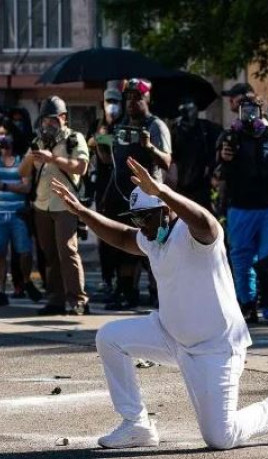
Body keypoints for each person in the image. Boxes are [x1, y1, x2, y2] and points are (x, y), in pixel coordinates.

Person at [51, 158, 268, 450]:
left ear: (166, 212)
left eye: (147, 218)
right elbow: (123, 235)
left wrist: (162, 191)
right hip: (170, 335)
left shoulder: (195, 236)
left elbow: (206, 221)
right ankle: (136, 424)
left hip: (215, 347)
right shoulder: (152, 237)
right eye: (137, 219)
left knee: (220, 437)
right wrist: (82, 212)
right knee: (109, 338)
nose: (142, 227)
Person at [217, 95, 268, 324]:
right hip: (240, 208)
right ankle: (247, 305)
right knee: (242, 260)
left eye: (253, 110)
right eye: (245, 110)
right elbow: (220, 173)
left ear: (263, 111)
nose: (249, 115)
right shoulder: (230, 136)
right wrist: (225, 158)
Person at [102, 78, 172, 310]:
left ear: (147, 99)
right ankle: (126, 292)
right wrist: (100, 144)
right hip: (123, 195)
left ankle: (158, 294)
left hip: (150, 196)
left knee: (154, 248)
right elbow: (111, 160)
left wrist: (149, 146)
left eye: (137, 98)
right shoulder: (121, 125)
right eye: (128, 98)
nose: (132, 102)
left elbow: (167, 162)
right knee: (126, 249)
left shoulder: (156, 125)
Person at [19, 96, 89, 316]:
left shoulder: (74, 139)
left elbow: (81, 167)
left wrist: (53, 159)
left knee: (68, 252)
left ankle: (78, 300)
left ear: (63, 118)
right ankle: (56, 300)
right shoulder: (38, 142)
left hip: (65, 205)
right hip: (42, 205)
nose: (47, 124)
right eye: (44, 120)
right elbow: (22, 172)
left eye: (52, 119)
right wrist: (32, 157)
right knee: (49, 255)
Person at [0, 118, 40, 306]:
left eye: (7, 133)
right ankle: (0, 291)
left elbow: (26, 187)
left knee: (24, 251)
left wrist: (3, 185)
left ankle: (26, 280)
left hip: (17, 212)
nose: (3, 137)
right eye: (0, 134)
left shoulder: (22, 158)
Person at [88, 87, 124, 294]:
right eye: (108, 101)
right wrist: (100, 138)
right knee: (104, 234)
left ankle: (122, 280)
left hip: (121, 187)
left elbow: (120, 147)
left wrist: (105, 140)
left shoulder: (124, 125)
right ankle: (106, 277)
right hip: (103, 187)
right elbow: (90, 142)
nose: (112, 106)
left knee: (122, 234)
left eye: (115, 101)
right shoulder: (97, 125)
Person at [169, 98, 219, 210]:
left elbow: (214, 152)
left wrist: (212, 171)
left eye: (191, 109)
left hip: (202, 184)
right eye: (185, 110)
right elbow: (171, 155)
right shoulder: (176, 129)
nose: (188, 113)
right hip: (181, 183)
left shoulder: (206, 128)